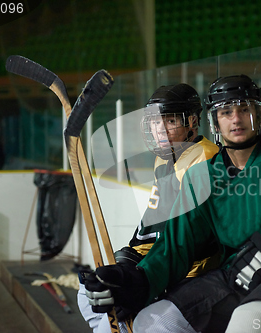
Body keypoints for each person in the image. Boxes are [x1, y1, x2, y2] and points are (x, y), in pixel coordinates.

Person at [84, 74, 261, 333]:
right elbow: (175, 248)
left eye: (244, 109)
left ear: (259, 114)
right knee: (152, 323)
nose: (236, 119)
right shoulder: (201, 177)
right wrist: (137, 279)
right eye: (226, 112)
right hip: (234, 276)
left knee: (250, 322)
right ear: (215, 121)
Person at [77, 83, 219, 333]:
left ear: (192, 122)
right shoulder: (164, 159)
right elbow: (155, 223)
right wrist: (128, 258)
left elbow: (186, 239)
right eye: (155, 122)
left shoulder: (204, 158)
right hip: (160, 258)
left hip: (191, 269)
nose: (160, 129)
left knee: (119, 323)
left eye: (171, 120)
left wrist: (139, 277)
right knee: (87, 294)